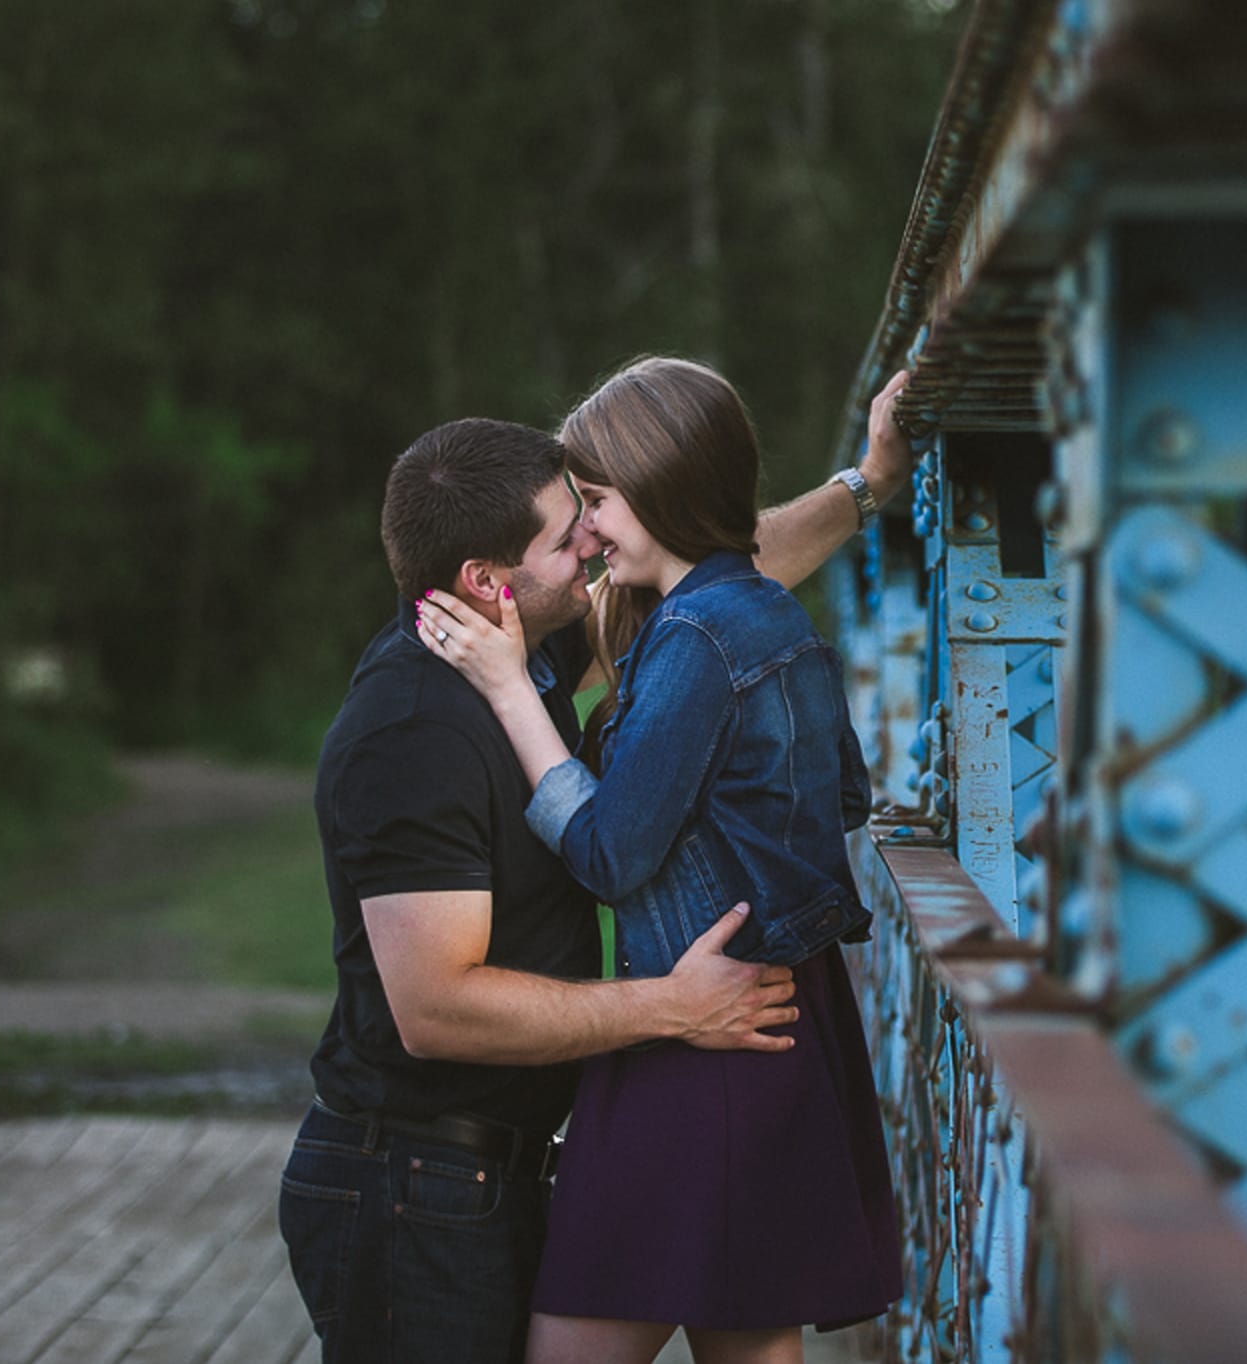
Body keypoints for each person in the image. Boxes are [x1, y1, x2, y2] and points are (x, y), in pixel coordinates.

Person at [280, 369, 911, 1364]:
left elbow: (719, 586)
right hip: (413, 1178)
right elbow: (437, 1005)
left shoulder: (530, 649)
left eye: (591, 513)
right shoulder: (410, 727)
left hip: (516, 1159)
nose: (589, 545)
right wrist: (673, 1007)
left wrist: (868, 482)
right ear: (490, 581)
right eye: (565, 531)